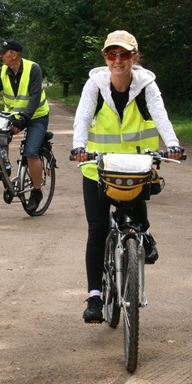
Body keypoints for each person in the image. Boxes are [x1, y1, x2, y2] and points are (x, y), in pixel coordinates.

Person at [72, 30, 183, 324]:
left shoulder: (146, 84)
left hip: (135, 166)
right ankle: (95, 297)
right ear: (105, 58)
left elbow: (160, 115)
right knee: (97, 229)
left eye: (124, 55)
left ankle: (143, 235)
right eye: (112, 54)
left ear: (135, 57)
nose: (117, 60)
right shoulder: (95, 84)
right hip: (98, 168)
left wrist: (172, 145)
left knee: (136, 221)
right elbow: (83, 117)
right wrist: (78, 147)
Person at [0, 39, 50, 212]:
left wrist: (23, 119)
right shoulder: (2, 71)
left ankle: (36, 192)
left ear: (14, 54)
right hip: (13, 115)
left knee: (31, 152)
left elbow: (34, 97)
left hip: (36, 115)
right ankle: (5, 166)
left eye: (4, 52)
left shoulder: (33, 69)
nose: (1, 55)